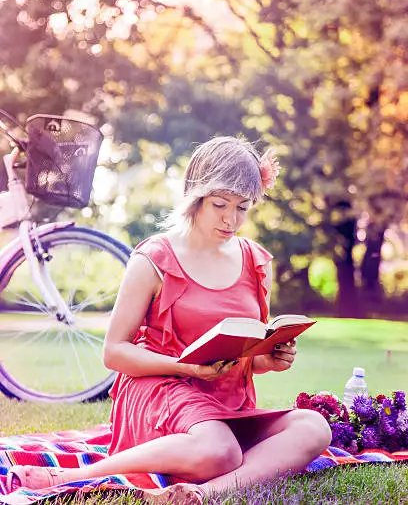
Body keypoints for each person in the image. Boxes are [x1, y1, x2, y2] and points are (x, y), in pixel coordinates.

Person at [6, 136, 331, 503]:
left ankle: (201, 494)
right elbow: (114, 353)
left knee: (314, 427)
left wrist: (269, 359)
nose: (231, 219)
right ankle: (73, 475)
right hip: (161, 390)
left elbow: (247, 355)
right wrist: (187, 368)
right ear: (196, 196)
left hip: (226, 402)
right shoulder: (154, 258)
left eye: (242, 207)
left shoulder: (256, 261)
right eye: (220, 204)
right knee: (221, 452)